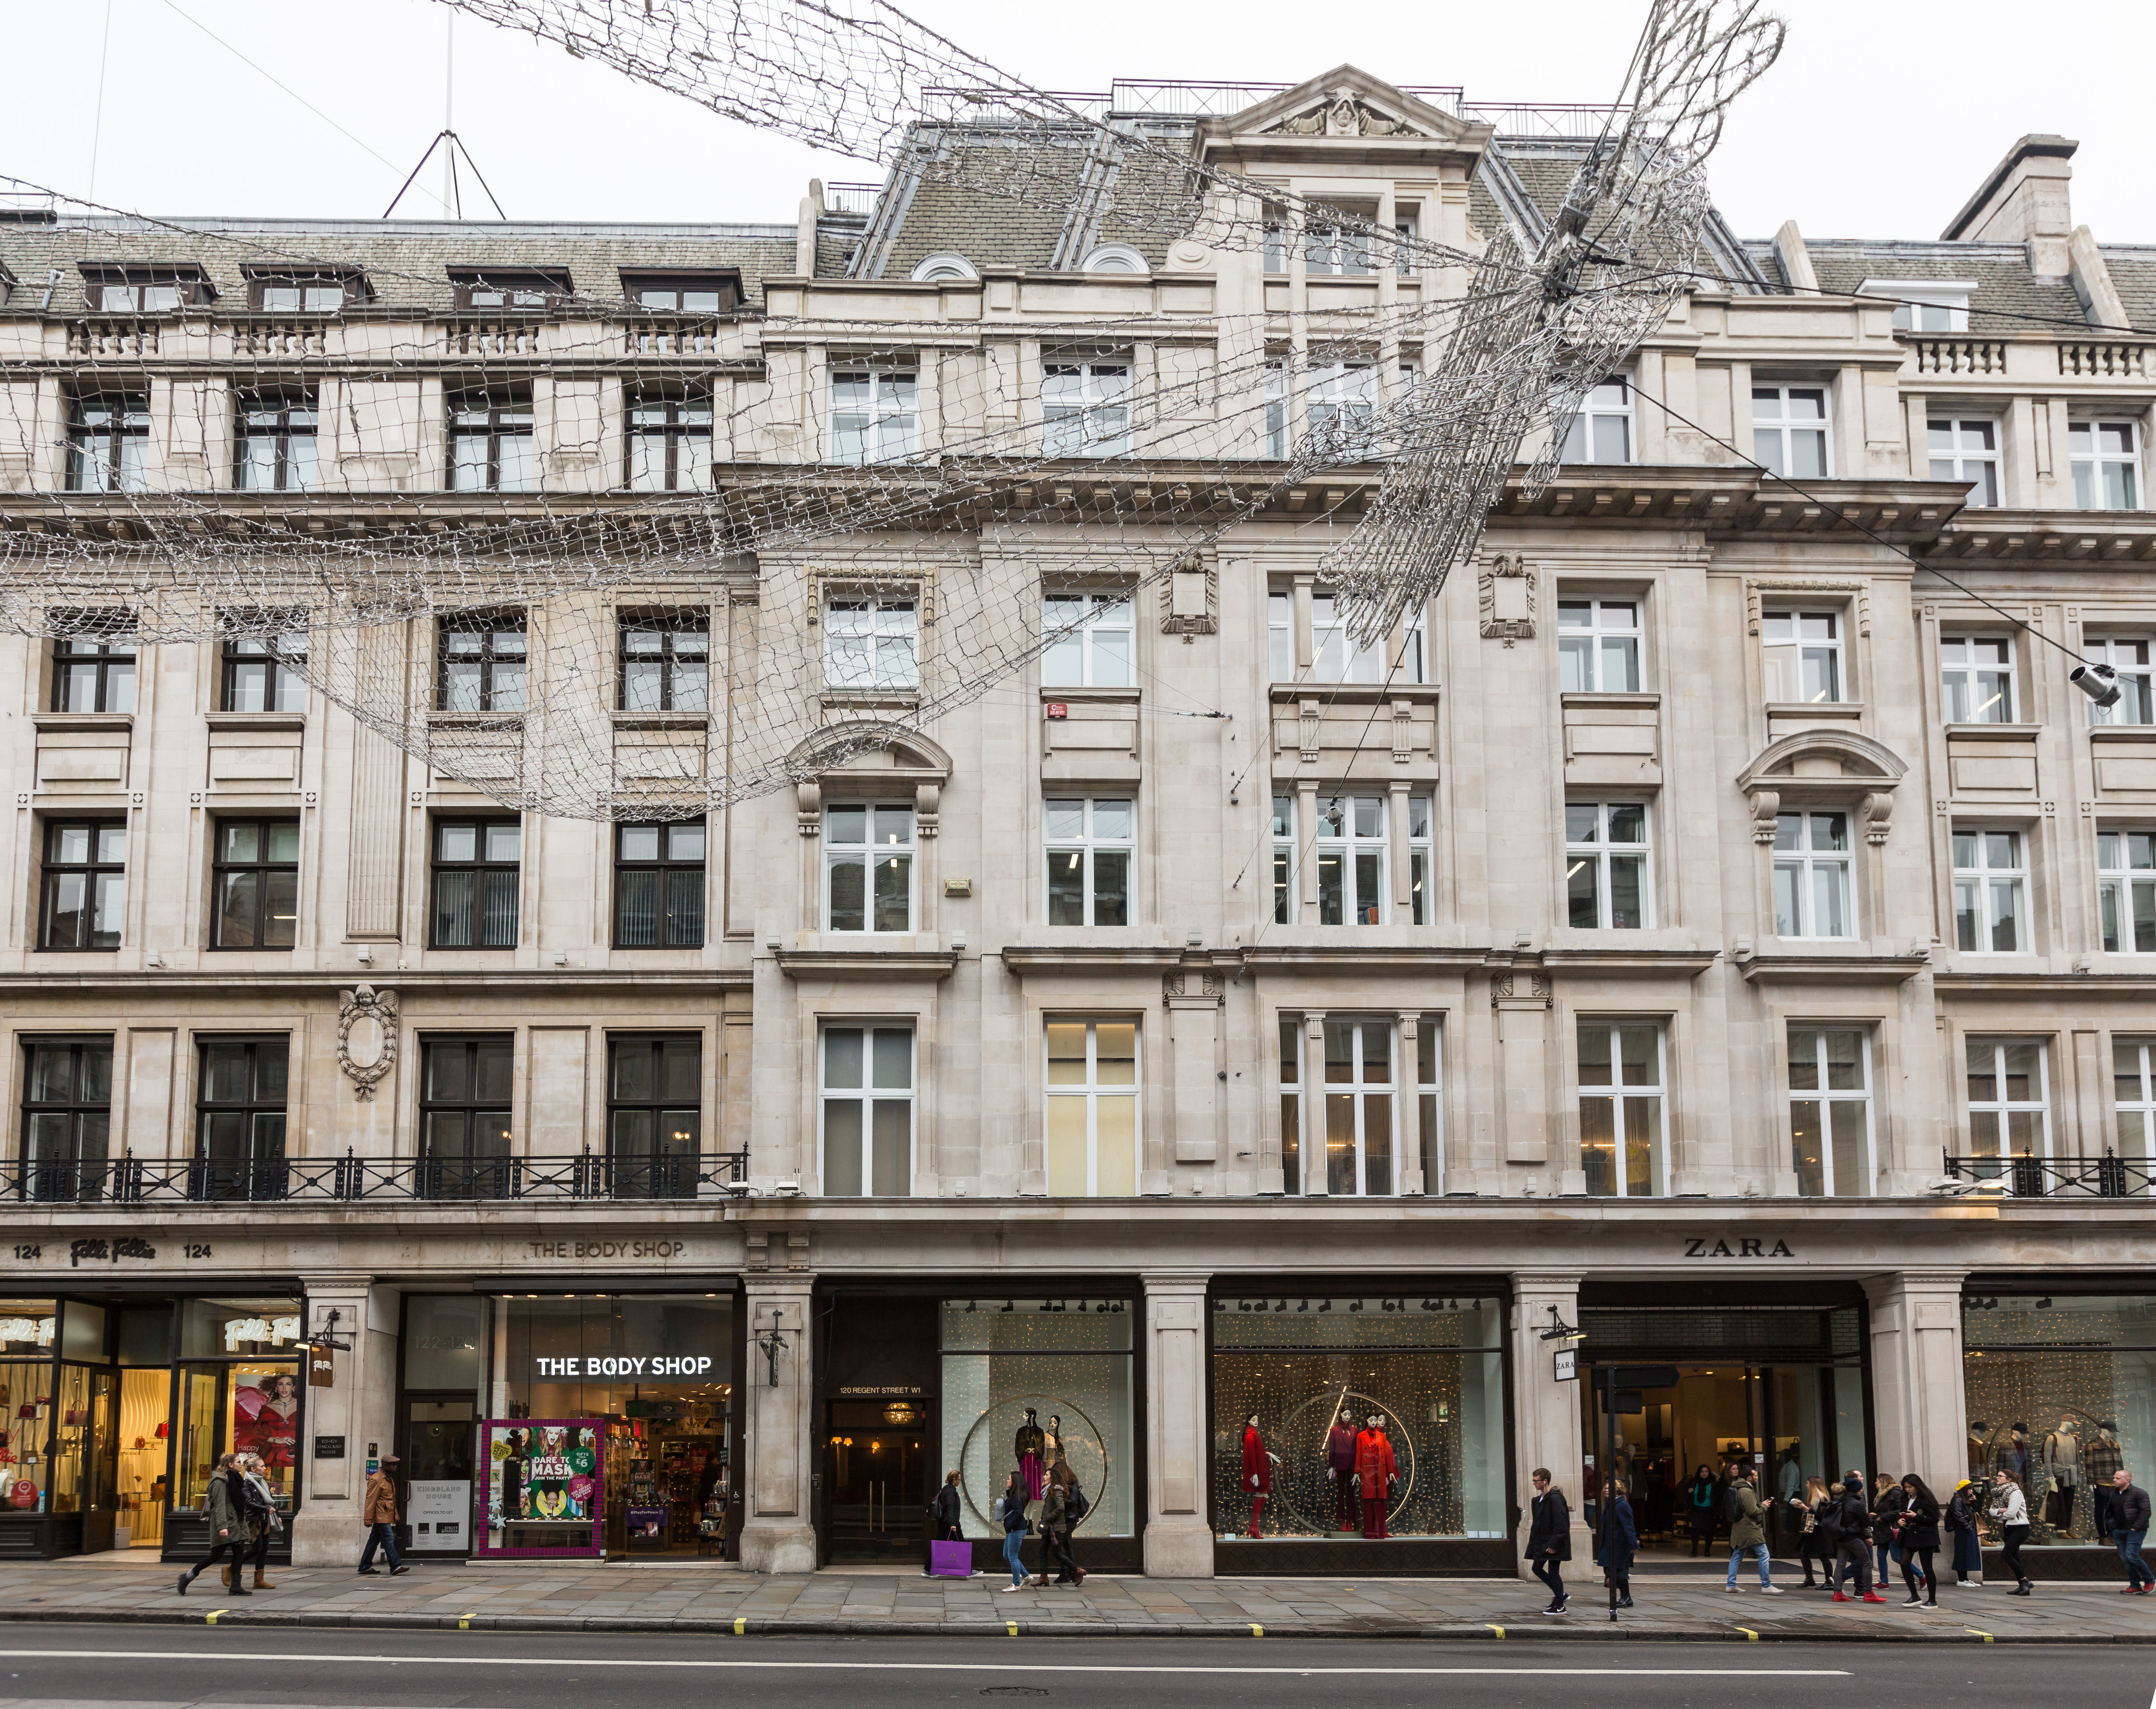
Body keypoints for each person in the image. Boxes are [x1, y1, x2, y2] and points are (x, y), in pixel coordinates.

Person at [176, 1452, 253, 1597]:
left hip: (237, 1522)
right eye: (238, 1462)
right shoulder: (220, 1482)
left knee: (238, 1553)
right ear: (230, 1465)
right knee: (216, 1555)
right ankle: (188, 1577)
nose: (241, 1464)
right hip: (225, 1523)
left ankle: (236, 1586)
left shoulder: (236, 1479)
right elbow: (219, 1506)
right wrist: (222, 1526)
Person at [1723, 1462, 1780, 1594]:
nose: (1757, 1478)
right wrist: (1764, 1507)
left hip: (1740, 1527)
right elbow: (1753, 1511)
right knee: (1764, 1554)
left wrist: (1761, 1504)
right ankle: (1766, 1585)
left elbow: (1746, 1507)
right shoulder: (1746, 1491)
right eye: (1755, 1476)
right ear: (1749, 1478)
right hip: (1749, 1527)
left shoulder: (1739, 1488)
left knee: (1737, 1556)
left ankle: (1731, 1585)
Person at [1830, 1472, 1885, 1604]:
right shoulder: (1856, 1503)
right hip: (1853, 1537)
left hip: (1841, 1537)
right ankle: (1869, 1593)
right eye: (1860, 1488)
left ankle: (1838, 1593)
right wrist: (1870, 1518)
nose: (1862, 1490)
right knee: (1867, 1563)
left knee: (1840, 1565)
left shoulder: (1840, 1501)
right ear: (1856, 1489)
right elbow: (1865, 1523)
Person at [1526, 1467, 1571, 1615]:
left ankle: (1560, 1605)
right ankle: (1561, 1595)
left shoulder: (1555, 1498)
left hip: (1553, 1543)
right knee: (1537, 1568)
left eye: (1536, 1480)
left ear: (1545, 1481)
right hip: (1543, 1541)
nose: (1534, 1483)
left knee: (1553, 1573)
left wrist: (1554, 1544)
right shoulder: (1540, 1499)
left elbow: (1561, 1523)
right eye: (1533, 1480)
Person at [357, 1452, 409, 1575]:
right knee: (389, 1538)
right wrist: (368, 1519)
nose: (395, 1467)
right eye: (393, 1465)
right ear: (385, 1465)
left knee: (374, 1540)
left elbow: (390, 1500)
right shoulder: (376, 1480)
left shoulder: (388, 1478)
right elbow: (370, 1500)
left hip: (385, 1514)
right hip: (381, 1515)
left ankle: (365, 1566)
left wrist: (395, 1515)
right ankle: (396, 1566)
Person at [1895, 1474, 1941, 1608]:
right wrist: (1900, 1521)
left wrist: (1917, 1516)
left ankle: (1932, 1599)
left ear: (1917, 1486)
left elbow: (1934, 1519)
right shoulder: (1905, 1499)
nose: (1908, 1490)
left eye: (1910, 1487)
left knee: (1927, 1567)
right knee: (1904, 1563)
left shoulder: (1926, 1499)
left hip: (1925, 1536)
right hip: (1908, 1535)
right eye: (1905, 1487)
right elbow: (1899, 1513)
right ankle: (1914, 1596)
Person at [1987, 1468, 2032, 1596]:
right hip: (2009, 1527)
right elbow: (1992, 1511)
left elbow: (2012, 1513)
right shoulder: (1998, 1493)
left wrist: (2000, 1513)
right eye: (1997, 1476)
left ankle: (2025, 1581)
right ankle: (2023, 1587)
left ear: (2009, 1480)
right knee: (2015, 1556)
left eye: (2000, 1476)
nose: (1997, 1478)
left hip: (2021, 1527)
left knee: (2006, 1555)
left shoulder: (2015, 1492)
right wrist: (2002, 1510)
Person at [240, 1453, 280, 1590]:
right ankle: (231, 1568)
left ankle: (259, 1580)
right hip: (254, 1520)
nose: (265, 1468)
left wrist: (277, 1514)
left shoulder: (262, 1482)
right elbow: (249, 1502)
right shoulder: (247, 1484)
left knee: (264, 1550)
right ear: (253, 1469)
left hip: (265, 1519)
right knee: (257, 1548)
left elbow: (269, 1501)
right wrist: (265, 1510)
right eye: (262, 1466)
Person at [2109, 1468, 2151, 1594]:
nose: (2114, 1480)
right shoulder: (2114, 1494)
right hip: (2119, 1531)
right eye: (2115, 1478)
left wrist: (2135, 1528)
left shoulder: (2139, 1493)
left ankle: (2150, 1580)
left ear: (2127, 1480)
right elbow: (2109, 1512)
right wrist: (2112, 1526)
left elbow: (2146, 1512)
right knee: (2126, 1560)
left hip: (2135, 1531)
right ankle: (2135, 1585)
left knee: (2132, 1555)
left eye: (2118, 1478)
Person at [1597, 1476, 1637, 1609]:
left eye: (1610, 1489)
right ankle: (1627, 1597)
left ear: (1618, 1490)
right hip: (1611, 1544)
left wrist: (1633, 1545)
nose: (1607, 1490)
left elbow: (1629, 1526)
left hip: (1620, 1544)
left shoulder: (1622, 1506)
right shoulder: (1611, 1504)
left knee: (1619, 1571)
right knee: (1613, 1570)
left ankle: (1625, 1597)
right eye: (1606, 1488)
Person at [925, 1467, 964, 1578]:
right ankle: (967, 1570)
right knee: (961, 1545)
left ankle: (927, 1569)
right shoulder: (951, 1491)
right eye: (959, 1480)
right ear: (954, 1480)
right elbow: (951, 1508)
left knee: (939, 1546)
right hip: (949, 1524)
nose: (959, 1482)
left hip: (945, 1523)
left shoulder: (945, 1489)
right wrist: (953, 1524)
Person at [1945, 1478, 1984, 1587]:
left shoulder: (1964, 1499)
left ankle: (1965, 1579)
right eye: (1970, 1489)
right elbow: (1958, 1515)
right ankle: (1962, 1580)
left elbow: (1973, 1513)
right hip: (1964, 1530)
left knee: (1967, 1554)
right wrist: (1967, 1527)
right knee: (1963, 1554)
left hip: (1968, 1529)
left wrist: (1974, 1502)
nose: (1972, 1491)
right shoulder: (1957, 1499)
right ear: (1964, 1489)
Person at [996, 1469, 1030, 1593]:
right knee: (1007, 1555)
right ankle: (1026, 1576)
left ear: (1014, 1482)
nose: (1007, 1480)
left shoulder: (1016, 1496)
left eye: (1009, 1479)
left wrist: (1010, 1525)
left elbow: (1018, 1513)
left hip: (1016, 1529)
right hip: (1014, 1529)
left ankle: (1016, 1584)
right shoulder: (1015, 1494)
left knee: (1013, 1557)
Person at [1796, 1476, 1832, 1588]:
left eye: (1808, 1483)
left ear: (1813, 1485)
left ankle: (1829, 1582)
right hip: (1812, 1530)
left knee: (1824, 1556)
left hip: (1820, 1531)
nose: (1806, 1485)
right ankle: (1810, 1579)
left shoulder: (1822, 1499)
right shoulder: (1813, 1498)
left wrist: (1807, 1509)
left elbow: (1823, 1517)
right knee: (1803, 1553)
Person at [1871, 1473, 1905, 1587]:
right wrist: (1875, 1515)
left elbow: (1901, 1510)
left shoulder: (1895, 1493)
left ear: (1883, 1481)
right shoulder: (1882, 1495)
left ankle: (1921, 1576)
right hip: (1882, 1530)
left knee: (1897, 1557)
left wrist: (1883, 1517)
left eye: (1877, 1481)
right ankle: (1884, 1581)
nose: (1875, 1483)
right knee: (1881, 1556)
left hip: (1891, 1528)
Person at [1686, 1464, 1718, 1557]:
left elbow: (1717, 1497)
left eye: (1706, 1472)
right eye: (1702, 1472)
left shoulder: (1714, 1483)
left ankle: (1707, 1551)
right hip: (1697, 1510)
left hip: (1709, 1511)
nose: (1704, 1474)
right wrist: (1689, 1492)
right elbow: (1686, 1495)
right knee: (1695, 1531)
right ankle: (1694, 1551)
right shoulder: (1693, 1482)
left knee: (1709, 1531)